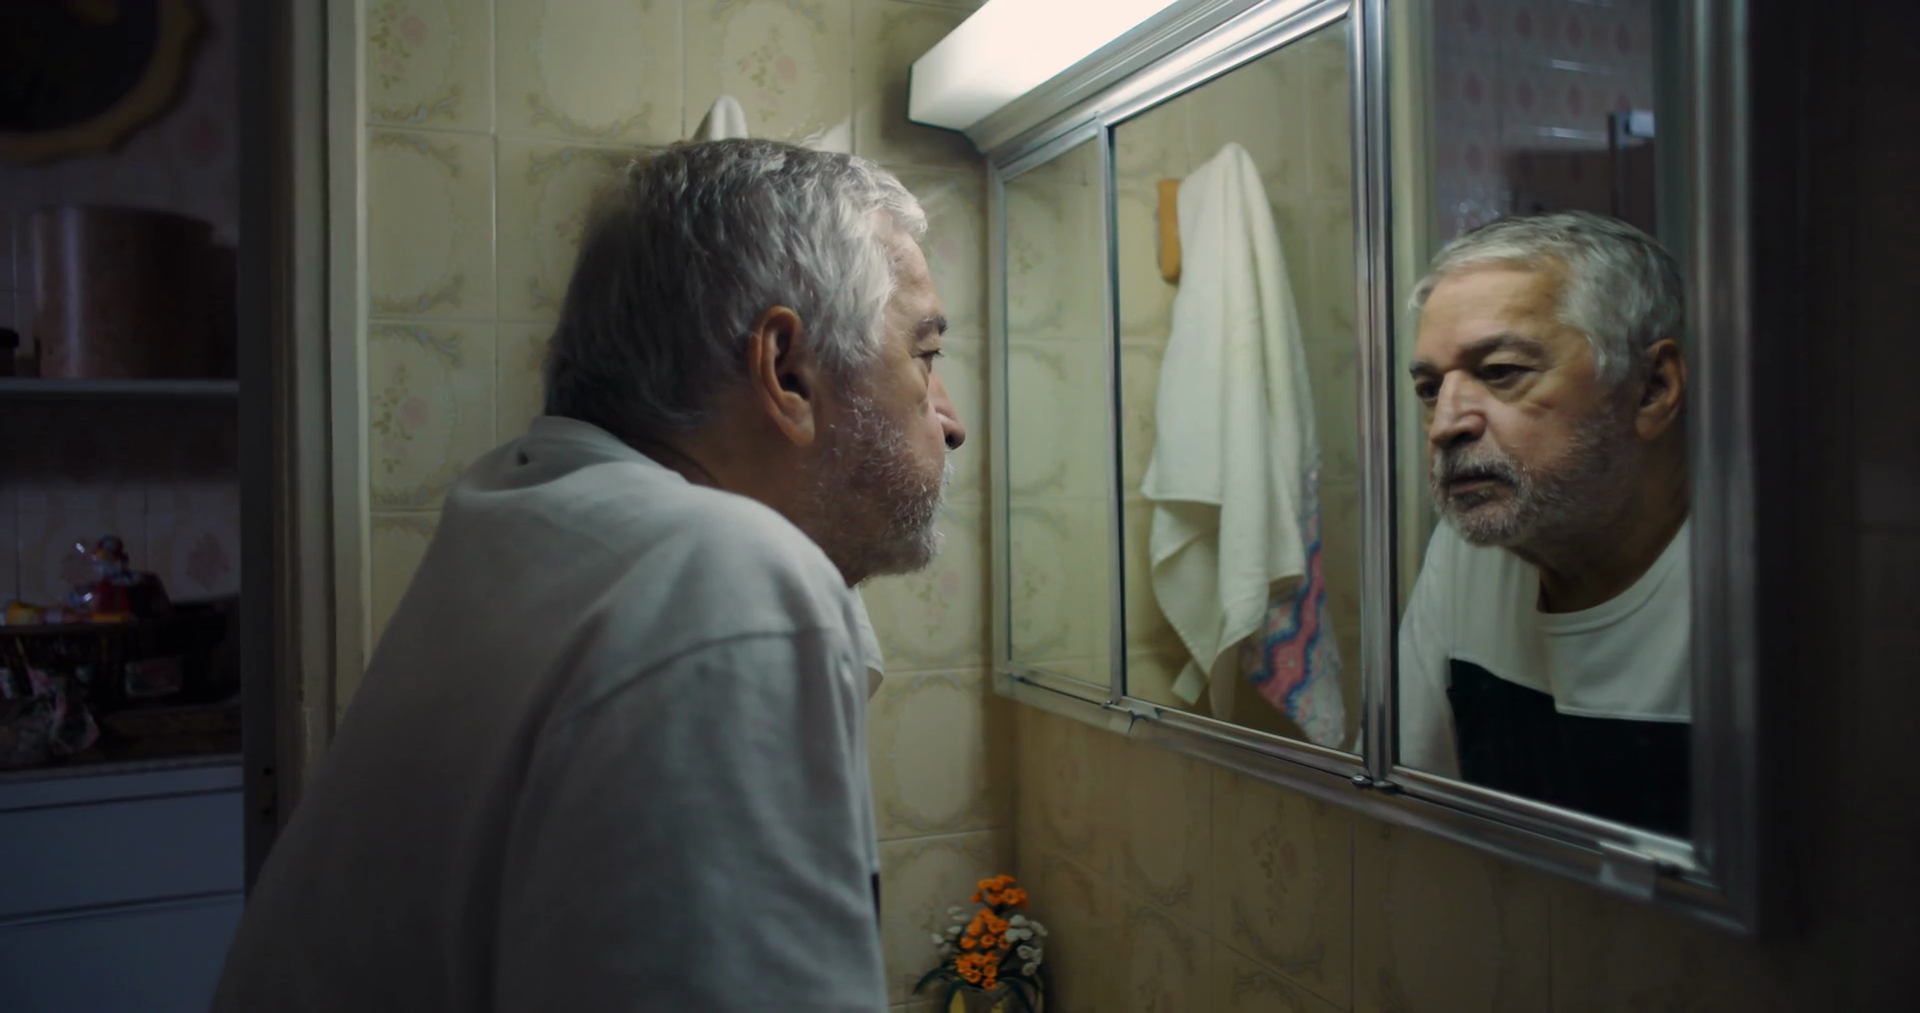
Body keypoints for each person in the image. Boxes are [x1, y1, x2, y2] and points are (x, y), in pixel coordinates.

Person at [212, 139, 966, 1011]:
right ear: (789, 371)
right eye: (925, 355)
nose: (950, 422)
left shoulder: (530, 518)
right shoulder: (719, 578)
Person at [1396, 211, 1691, 835]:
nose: (1446, 423)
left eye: (1501, 371)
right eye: (1428, 388)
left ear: (1651, 389)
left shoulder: (1767, 590)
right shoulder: (1468, 550)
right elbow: (1413, 816)